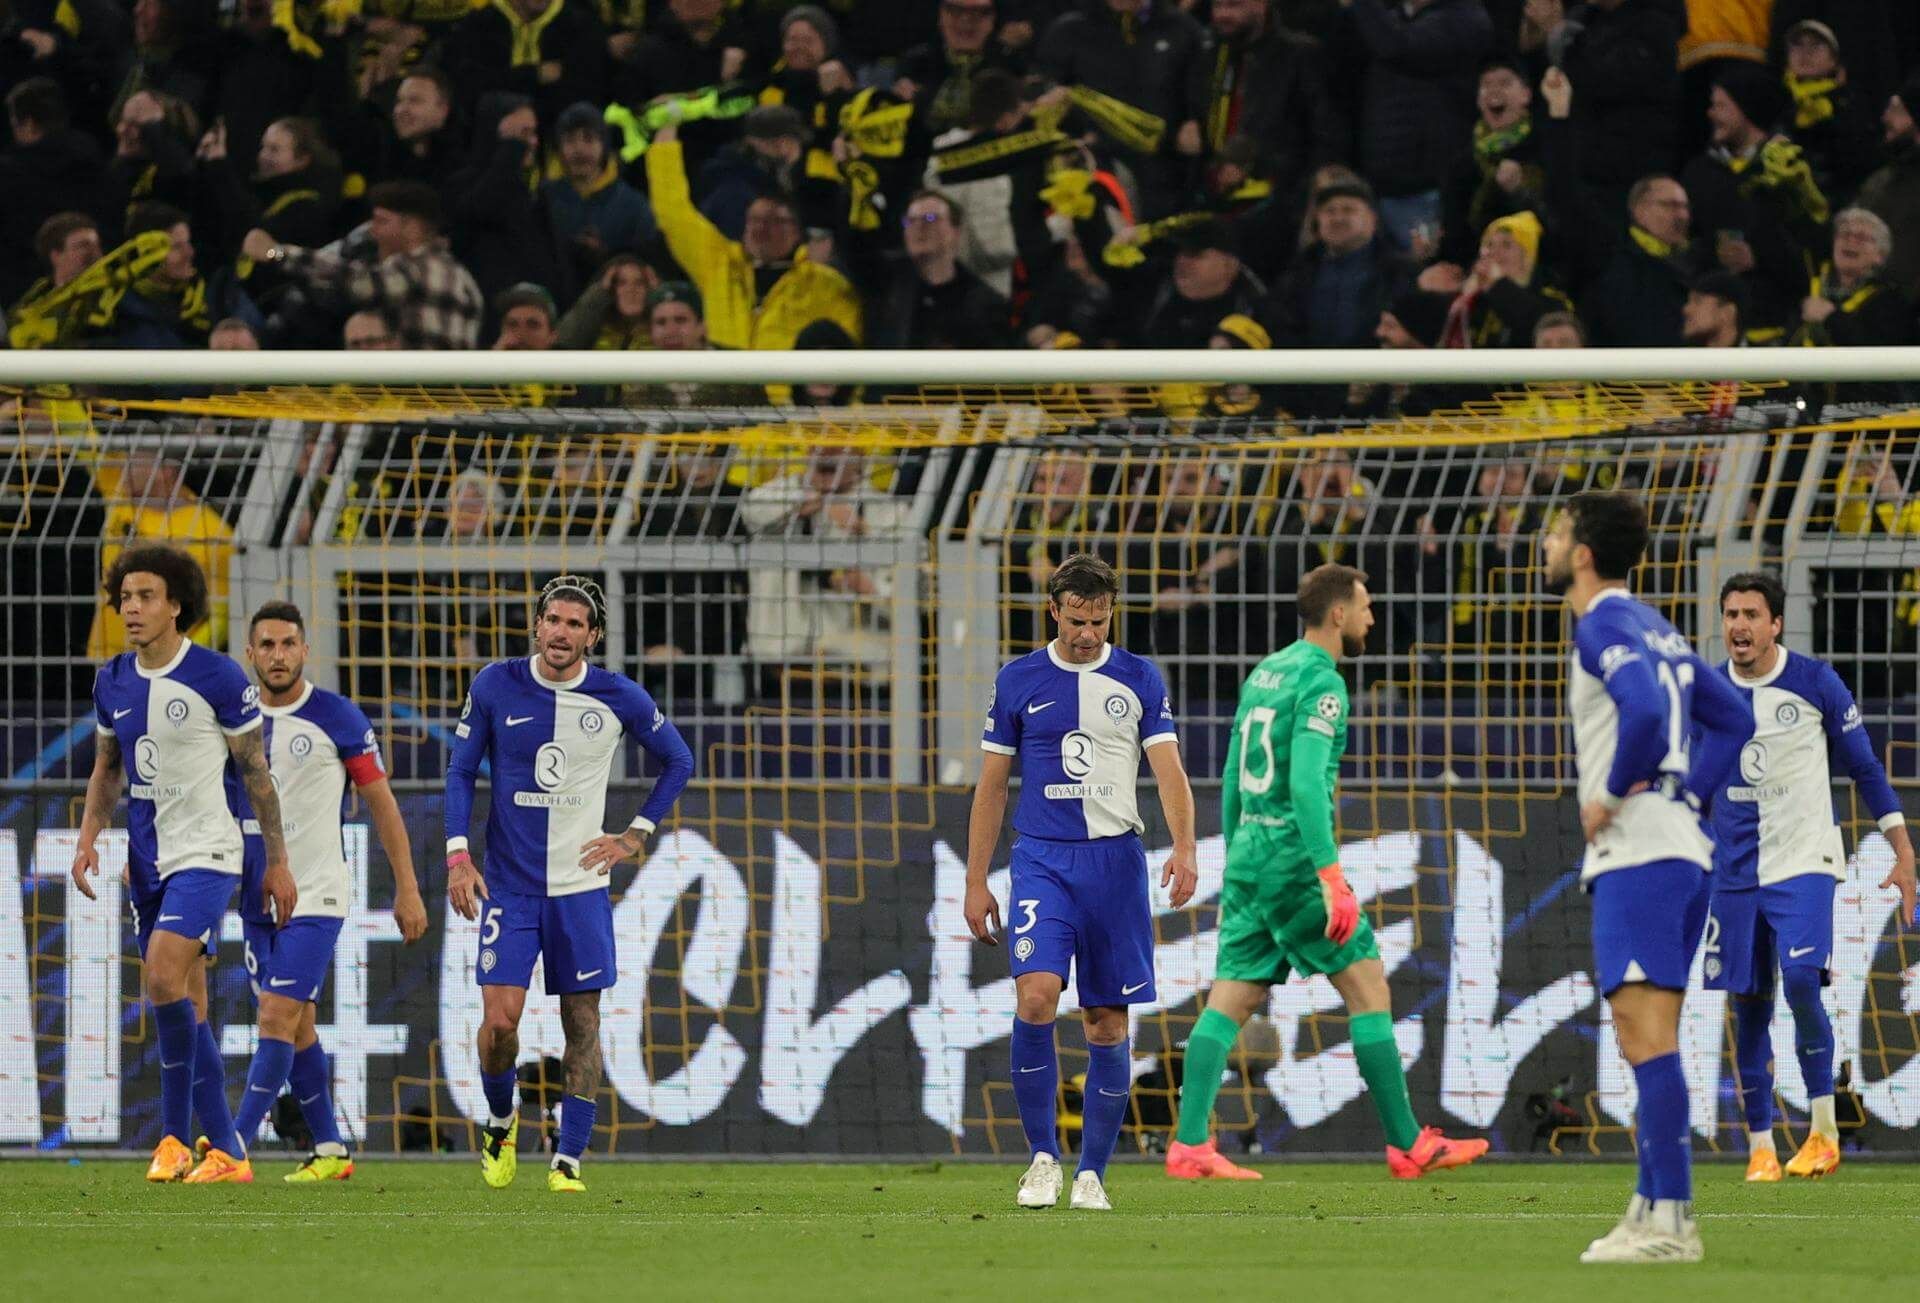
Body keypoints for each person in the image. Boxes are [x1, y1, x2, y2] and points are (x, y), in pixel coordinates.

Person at [1166, 562, 1489, 1181]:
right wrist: (1331, 876)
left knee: (1230, 998)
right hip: (1292, 860)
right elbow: (1308, 784)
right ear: (1338, 614)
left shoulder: (1266, 672)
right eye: (1365, 605)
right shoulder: (1322, 683)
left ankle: (1188, 1146)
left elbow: (1234, 776)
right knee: (1368, 988)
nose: (1371, 615)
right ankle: (1407, 1144)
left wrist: (1239, 854)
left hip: (1250, 857)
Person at [1541, 491, 1751, 1264]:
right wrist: (1691, 791)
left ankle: (1673, 1222)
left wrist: (1613, 792)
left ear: (1584, 553)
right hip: (1682, 847)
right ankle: (1649, 1203)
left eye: (1557, 533)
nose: (1547, 544)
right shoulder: (1658, 626)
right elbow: (1731, 714)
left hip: (1640, 851)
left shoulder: (1601, 623)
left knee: (1646, 1035)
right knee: (1645, 1036)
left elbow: (1639, 713)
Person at [964, 552, 1200, 1212]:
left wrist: (1184, 847)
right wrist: (977, 879)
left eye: (1098, 621)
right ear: (1053, 610)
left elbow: (1169, 771)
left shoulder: (1138, 678)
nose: (1087, 634)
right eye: (1076, 620)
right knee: (1036, 996)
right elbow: (990, 787)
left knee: (1105, 1022)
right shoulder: (1018, 679)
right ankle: (1043, 1159)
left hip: (1115, 865)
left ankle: (1092, 1172)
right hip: (1042, 859)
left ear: (1110, 613)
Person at [443, 576, 694, 1192]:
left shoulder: (618, 695)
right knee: (501, 1024)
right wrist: (457, 856)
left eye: (575, 625)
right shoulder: (495, 684)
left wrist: (633, 835)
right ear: (537, 625)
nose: (561, 632)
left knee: (582, 1022)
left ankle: (568, 1160)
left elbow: (679, 760)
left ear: (594, 636)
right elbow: (459, 770)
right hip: (509, 886)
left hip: (580, 891)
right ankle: (502, 1120)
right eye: (553, 620)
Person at [71, 544, 295, 1184]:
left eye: (145, 597)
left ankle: (179, 1138)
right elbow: (107, 771)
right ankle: (216, 1149)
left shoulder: (220, 677)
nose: (131, 609)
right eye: (124, 598)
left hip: (208, 852)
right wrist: (91, 837)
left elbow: (256, 775)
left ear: (176, 605)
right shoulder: (111, 678)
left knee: (163, 979)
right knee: (185, 1001)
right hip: (147, 860)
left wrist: (276, 863)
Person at [1702, 573, 1916, 1183]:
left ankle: (1823, 1132)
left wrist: (1904, 852)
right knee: (1748, 1004)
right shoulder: (1709, 691)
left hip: (1804, 863)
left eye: (1751, 614)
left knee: (1799, 979)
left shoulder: (1815, 682)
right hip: (1736, 874)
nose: (1739, 625)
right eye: (1731, 614)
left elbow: (1866, 769)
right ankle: (1762, 1148)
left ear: (1775, 625)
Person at [230, 601, 428, 1181]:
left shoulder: (337, 717)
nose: (278, 655)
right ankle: (332, 1150)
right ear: (250, 653)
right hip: (256, 898)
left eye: (288, 644)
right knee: (298, 1026)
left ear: (304, 649)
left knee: (275, 1013)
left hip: (316, 894)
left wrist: (408, 889)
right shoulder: (233, 723)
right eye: (266, 645)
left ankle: (232, 1145)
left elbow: (383, 807)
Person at [243, 180, 485, 350]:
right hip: (439, 405)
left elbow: (359, 281)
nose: (372, 231)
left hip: (421, 403)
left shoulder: (423, 268)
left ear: (412, 227)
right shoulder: (460, 275)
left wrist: (276, 253)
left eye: (382, 221)